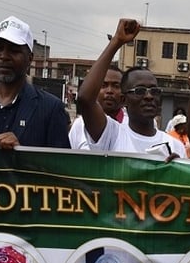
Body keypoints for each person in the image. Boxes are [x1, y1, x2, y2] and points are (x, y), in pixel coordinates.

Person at [0, 16, 71, 149]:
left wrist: (21, 154)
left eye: (14, 50)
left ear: (30, 58)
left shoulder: (51, 109)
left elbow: (60, 167)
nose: (4, 56)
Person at [76, 19, 184, 159]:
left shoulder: (176, 146)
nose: (149, 96)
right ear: (123, 100)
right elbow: (85, 99)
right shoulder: (112, 134)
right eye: (140, 91)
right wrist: (116, 42)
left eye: (154, 91)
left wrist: (176, 169)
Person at [68, 65, 127, 150]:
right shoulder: (79, 124)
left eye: (116, 86)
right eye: (103, 85)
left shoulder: (132, 125)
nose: (109, 91)